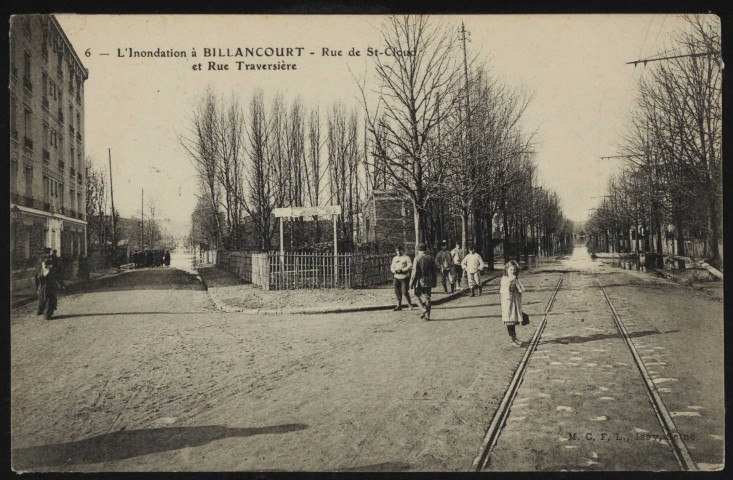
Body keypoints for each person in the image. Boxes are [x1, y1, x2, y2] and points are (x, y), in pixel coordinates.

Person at [500, 260, 525, 347]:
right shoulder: (505, 279)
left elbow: (521, 288)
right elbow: (504, 290)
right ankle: (511, 339)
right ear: (506, 270)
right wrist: (511, 281)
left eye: (514, 269)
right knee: (509, 320)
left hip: (514, 301)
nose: (512, 271)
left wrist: (519, 288)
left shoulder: (515, 278)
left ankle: (515, 337)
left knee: (513, 320)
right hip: (508, 302)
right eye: (511, 269)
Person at [411, 242, 438, 320]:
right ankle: (428, 316)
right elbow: (434, 271)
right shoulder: (431, 258)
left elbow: (415, 272)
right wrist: (434, 281)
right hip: (429, 280)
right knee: (427, 298)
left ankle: (423, 309)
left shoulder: (417, 258)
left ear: (418, 250)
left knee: (416, 295)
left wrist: (412, 282)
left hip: (419, 280)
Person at [390, 245, 414, 311]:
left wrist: (402, 270)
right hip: (396, 277)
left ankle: (410, 304)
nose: (398, 252)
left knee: (405, 291)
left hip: (404, 277)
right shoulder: (394, 258)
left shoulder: (406, 258)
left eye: (400, 250)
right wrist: (394, 271)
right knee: (397, 291)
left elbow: (410, 266)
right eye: (397, 250)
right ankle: (399, 305)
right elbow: (392, 267)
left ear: (402, 250)